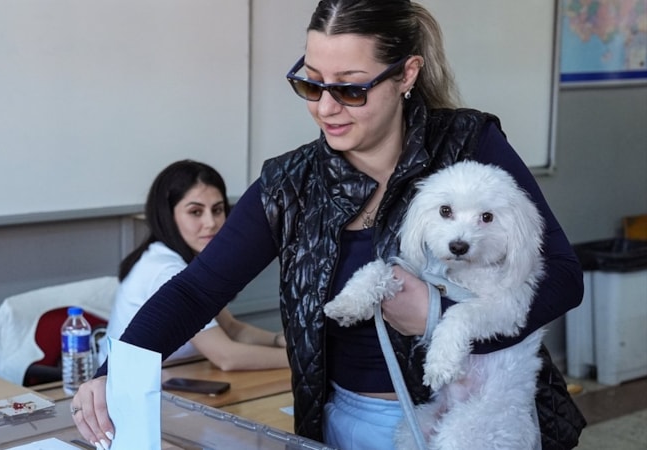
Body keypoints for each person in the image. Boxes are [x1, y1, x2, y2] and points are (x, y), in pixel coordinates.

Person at [72, 2, 585, 449]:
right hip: (345, 421)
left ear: (407, 75)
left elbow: (562, 275)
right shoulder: (291, 182)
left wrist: (438, 315)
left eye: (350, 89)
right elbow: (196, 290)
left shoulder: (468, 143)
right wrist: (114, 370)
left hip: (479, 419)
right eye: (310, 82)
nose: (325, 107)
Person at [96, 159, 288, 372]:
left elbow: (233, 329)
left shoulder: (187, 260)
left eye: (217, 210)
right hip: (129, 393)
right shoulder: (165, 269)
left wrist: (281, 341)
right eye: (195, 212)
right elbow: (227, 357)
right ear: (168, 216)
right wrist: (306, 362)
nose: (211, 223)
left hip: (178, 380)